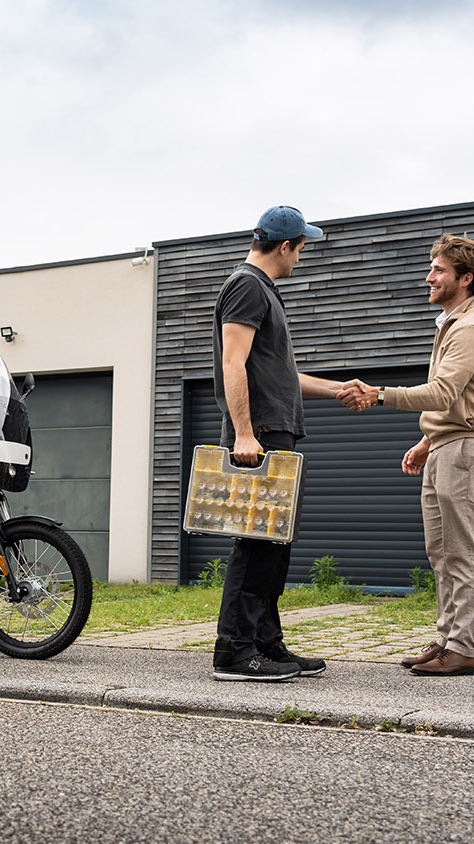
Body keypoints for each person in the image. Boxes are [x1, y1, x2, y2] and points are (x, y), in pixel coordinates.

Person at [338, 234, 474, 676]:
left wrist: (378, 394)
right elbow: (457, 400)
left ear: (465, 279)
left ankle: (463, 649)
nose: (428, 277)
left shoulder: (470, 327)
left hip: (469, 449)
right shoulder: (452, 322)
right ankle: (448, 639)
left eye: (438, 270)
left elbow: (444, 391)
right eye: (431, 268)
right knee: (442, 551)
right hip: (449, 445)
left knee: (464, 552)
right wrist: (428, 440)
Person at [209, 205, 348, 682]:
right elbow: (233, 362)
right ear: (286, 246)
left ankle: (266, 641)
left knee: (275, 544)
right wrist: (245, 433)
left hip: (274, 429)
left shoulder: (262, 290)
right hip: (261, 434)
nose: (301, 257)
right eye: (301, 247)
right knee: (255, 544)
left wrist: (335, 389)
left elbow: (279, 373)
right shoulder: (247, 286)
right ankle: (233, 649)